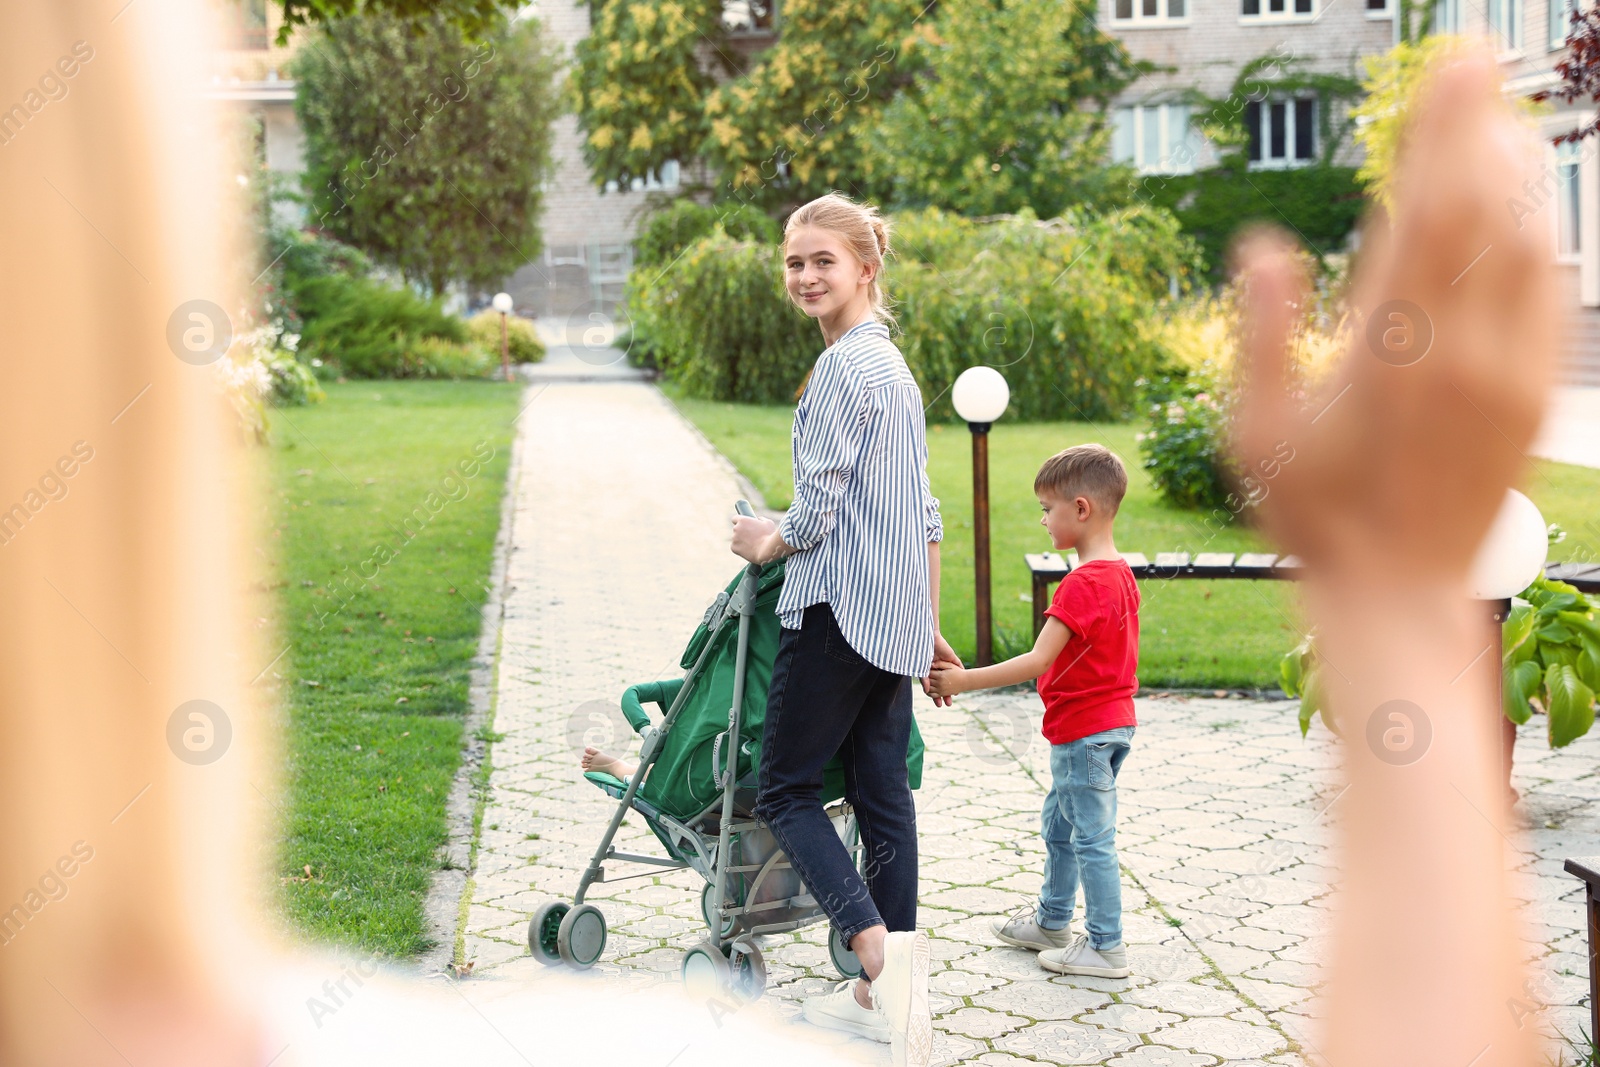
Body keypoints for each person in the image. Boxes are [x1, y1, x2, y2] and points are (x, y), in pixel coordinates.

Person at [729, 192, 952, 1067]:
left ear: (867, 268)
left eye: (824, 260)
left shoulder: (842, 373)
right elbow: (921, 510)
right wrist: (924, 618)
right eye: (795, 262)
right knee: (881, 792)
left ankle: (877, 960)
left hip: (834, 611)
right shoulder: (891, 369)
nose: (807, 275)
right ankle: (883, 995)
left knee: (784, 788)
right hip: (888, 614)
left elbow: (815, 515)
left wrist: (762, 539)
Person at [927, 444, 1139, 978]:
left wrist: (963, 679)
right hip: (1104, 728)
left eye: (1049, 509)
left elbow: (1037, 658)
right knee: (1062, 828)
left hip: (1084, 734)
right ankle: (1050, 920)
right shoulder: (1119, 574)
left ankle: (1106, 947)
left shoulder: (1082, 584)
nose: (1044, 520)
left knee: (1091, 839)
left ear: (1082, 509)